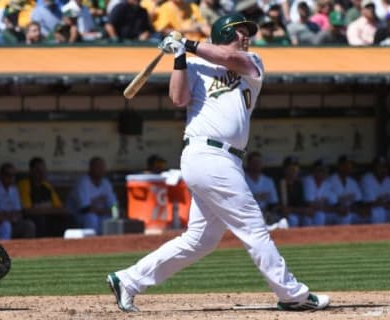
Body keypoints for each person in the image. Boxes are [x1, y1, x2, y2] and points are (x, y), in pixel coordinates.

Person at [107, 13, 330, 313]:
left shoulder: (252, 62)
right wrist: (179, 57)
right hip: (205, 154)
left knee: (201, 240)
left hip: (226, 160)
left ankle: (128, 280)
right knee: (253, 227)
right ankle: (292, 294)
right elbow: (178, 98)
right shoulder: (195, 64)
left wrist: (186, 43)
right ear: (223, 33)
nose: (245, 36)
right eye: (239, 32)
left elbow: (228, 57)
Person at [18, 157, 68, 237]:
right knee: (40, 220)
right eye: (38, 170)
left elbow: (61, 208)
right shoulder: (25, 185)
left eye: (43, 170)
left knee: (64, 219)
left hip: (48, 218)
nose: (41, 173)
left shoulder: (46, 186)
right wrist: (48, 209)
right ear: (31, 171)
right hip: (32, 219)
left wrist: (43, 210)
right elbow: (27, 210)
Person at [66, 156, 118, 235]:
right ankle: (90, 243)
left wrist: (115, 216)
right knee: (91, 218)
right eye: (98, 167)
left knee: (111, 219)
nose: (101, 169)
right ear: (90, 168)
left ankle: (107, 244)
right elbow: (86, 208)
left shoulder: (106, 183)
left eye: (102, 167)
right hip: (78, 216)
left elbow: (114, 205)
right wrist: (106, 211)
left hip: (100, 214)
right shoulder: (83, 182)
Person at [0, 163, 36, 239]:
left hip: (12, 221)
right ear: (1, 175)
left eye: (13, 175)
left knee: (29, 225)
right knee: (5, 225)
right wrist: (8, 215)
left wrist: (10, 215)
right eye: (8, 175)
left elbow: (18, 212)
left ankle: (24, 249)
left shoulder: (14, 189)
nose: (11, 178)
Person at [328, 155, 368, 225]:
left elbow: (358, 201)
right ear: (339, 166)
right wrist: (342, 209)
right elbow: (332, 203)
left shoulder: (352, 182)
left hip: (351, 211)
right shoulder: (331, 180)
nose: (349, 167)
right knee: (345, 216)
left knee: (368, 214)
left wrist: (359, 209)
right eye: (346, 165)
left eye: (350, 165)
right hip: (334, 213)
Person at [244, 151, 280, 225]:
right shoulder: (242, 180)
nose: (257, 164)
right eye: (254, 162)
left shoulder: (268, 181)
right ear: (248, 163)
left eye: (259, 162)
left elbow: (274, 203)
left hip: (266, 214)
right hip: (248, 214)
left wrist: (268, 213)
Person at [302, 159, 339, 226]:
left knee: (341, 214)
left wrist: (323, 207)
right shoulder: (308, 180)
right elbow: (310, 204)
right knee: (318, 215)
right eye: (321, 170)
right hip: (304, 213)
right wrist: (323, 206)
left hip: (323, 211)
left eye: (325, 170)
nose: (324, 173)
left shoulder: (327, 183)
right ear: (314, 170)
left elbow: (335, 205)